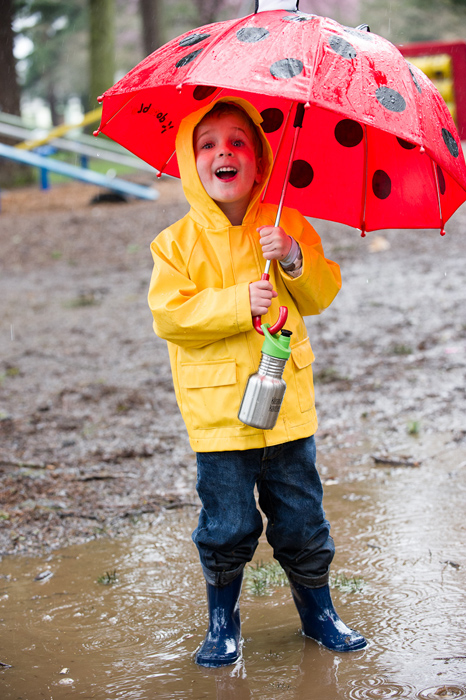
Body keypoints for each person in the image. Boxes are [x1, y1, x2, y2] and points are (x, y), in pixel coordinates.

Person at [148, 97, 366, 667]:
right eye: (208, 143)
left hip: (286, 407)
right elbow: (170, 316)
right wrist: (236, 302)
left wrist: (294, 258)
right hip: (220, 417)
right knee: (227, 525)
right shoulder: (174, 245)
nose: (224, 152)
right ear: (189, 160)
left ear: (260, 159)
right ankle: (223, 623)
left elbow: (320, 294)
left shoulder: (284, 222)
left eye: (238, 142)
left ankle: (319, 612)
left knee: (302, 517)